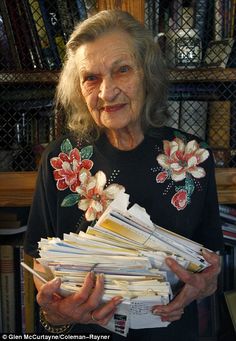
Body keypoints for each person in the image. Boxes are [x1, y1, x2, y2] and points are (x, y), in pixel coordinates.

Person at [24, 9, 223, 341]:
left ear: (147, 74)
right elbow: (42, 267)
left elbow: (208, 266)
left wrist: (204, 286)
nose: (106, 92)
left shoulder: (192, 156)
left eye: (123, 70)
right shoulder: (62, 160)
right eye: (91, 78)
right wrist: (54, 313)